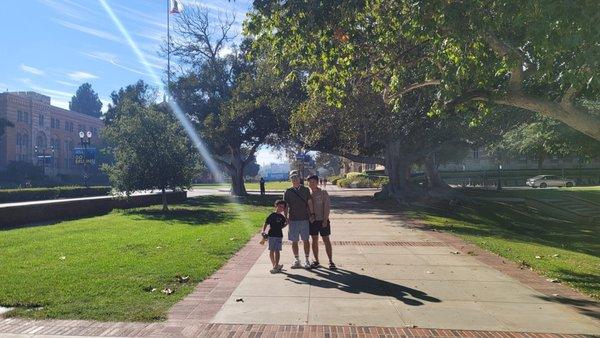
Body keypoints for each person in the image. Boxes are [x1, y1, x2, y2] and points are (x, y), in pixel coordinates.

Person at [283, 170, 313, 269]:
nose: (294, 179)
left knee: (305, 240)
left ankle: (307, 260)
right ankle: (296, 260)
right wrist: (286, 217)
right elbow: (286, 206)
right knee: (294, 241)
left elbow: (309, 203)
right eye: (292, 177)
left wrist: (312, 214)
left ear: (299, 178)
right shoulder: (287, 191)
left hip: (304, 218)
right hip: (293, 220)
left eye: (296, 177)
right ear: (290, 179)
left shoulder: (305, 190)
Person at [307, 175, 336, 270]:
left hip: (323, 221)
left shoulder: (323, 193)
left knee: (326, 240)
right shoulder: (308, 194)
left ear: (317, 182)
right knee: (314, 240)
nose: (312, 183)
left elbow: (327, 207)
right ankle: (316, 260)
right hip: (312, 222)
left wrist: (325, 220)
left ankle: (331, 261)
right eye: (310, 182)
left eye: (313, 181)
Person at [261, 200, 287, 273]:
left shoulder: (282, 217)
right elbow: (266, 223)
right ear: (276, 206)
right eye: (279, 206)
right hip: (271, 235)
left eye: (283, 207)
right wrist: (263, 231)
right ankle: (275, 265)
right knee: (271, 250)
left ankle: (276, 266)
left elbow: (281, 226)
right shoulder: (271, 215)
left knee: (277, 251)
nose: (281, 208)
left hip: (279, 235)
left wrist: (287, 224)